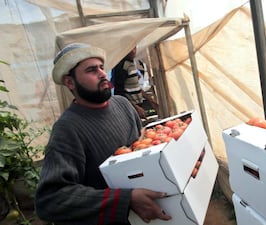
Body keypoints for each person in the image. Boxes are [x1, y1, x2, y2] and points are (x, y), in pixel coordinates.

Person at [34, 43, 171, 225]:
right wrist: (125, 199)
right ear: (70, 82)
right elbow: (50, 200)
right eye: (91, 70)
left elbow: (140, 148)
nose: (102, 74)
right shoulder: (67, 129)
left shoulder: (122, 104)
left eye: (101, 67)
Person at [111, 47, 158, 120]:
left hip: (137, 106)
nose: (133, 51)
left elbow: (136, 87)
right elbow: (119, 93)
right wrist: (135, 108)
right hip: (129, 109)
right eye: (131, 49)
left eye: (134, 48)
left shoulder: (131, 63)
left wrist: (151, 100)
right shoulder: (121, 66)